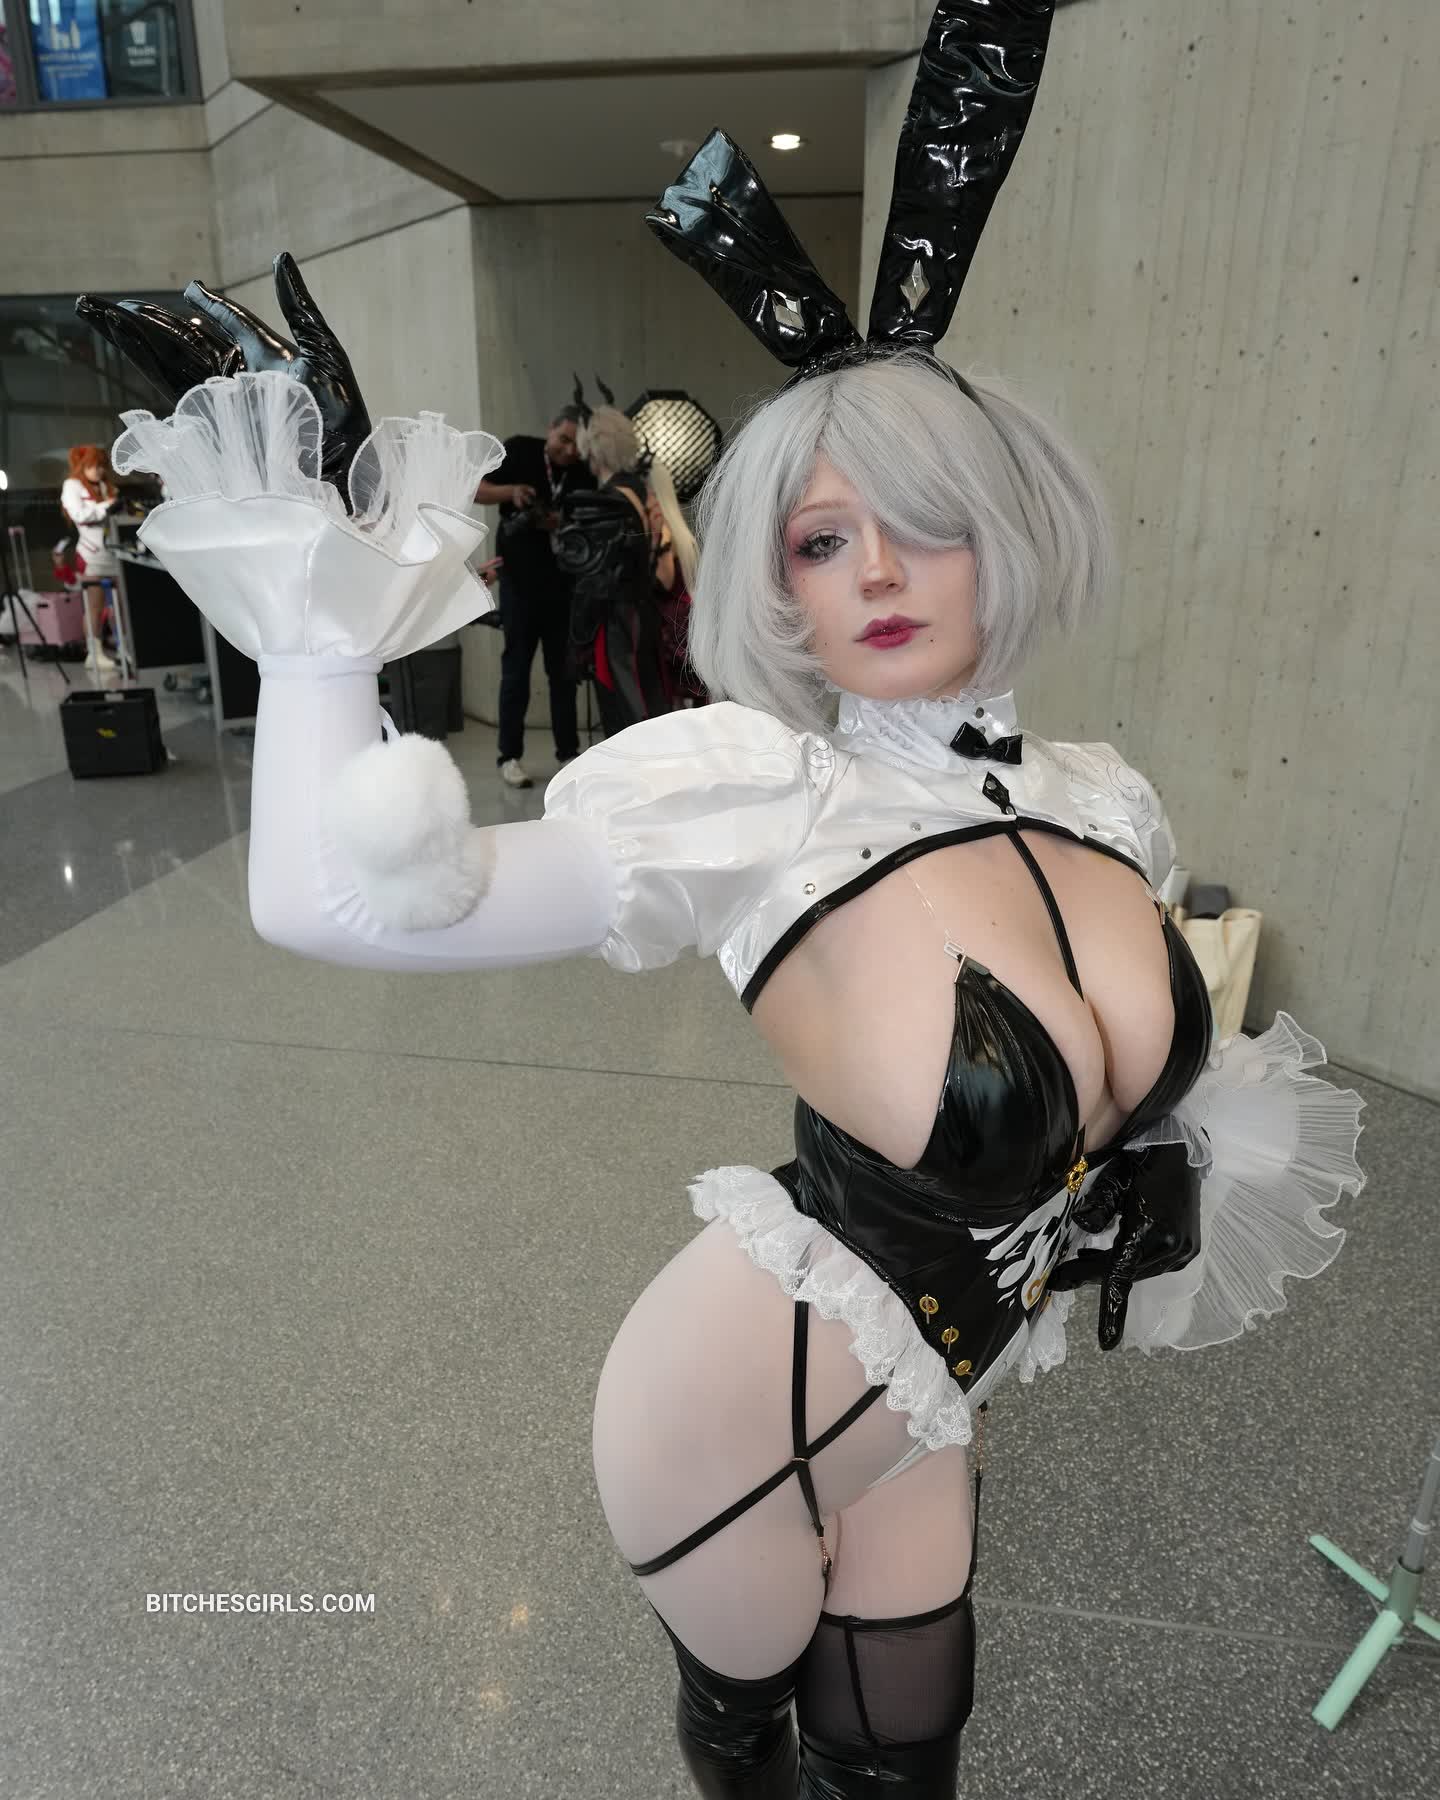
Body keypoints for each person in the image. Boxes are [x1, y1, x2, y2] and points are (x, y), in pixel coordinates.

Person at [82, 7, 1365, 1791]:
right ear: (779, 582)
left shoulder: (1097, 802)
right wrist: (316, 618)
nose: (881, 571)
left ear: (1016, 530)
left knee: (909, 1755)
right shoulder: (768, 798)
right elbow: (333, 905)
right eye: (824, 540)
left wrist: (1135, 1173)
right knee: (752, 1752)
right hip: (729, 1420)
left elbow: (1123, 1095)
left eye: (931, 520)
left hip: (927, 1406)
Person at [474, 405, 594, 787]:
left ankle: (568, 754)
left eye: (577, 446)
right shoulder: (520, 451)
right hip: (519, 585)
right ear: (550, 428)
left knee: (564, 675)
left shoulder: (584, 471)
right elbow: (476, 490)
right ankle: (509, 756)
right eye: (564, 440)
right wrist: (511, 492)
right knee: (516, 672)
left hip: (563, 588)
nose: (569, 451)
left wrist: (563, 522)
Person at [565, 404, 670, 735]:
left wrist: (577, 638)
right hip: (639, 614)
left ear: (594, 450)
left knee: (628, 711)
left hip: (618, 621)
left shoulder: (610, 501)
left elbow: (595, 581)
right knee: (646, 699)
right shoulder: (639, 491)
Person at [645, 460, 707, 709]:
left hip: (671, 627)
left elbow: (665, 581)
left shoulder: (664, 531)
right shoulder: (678, 529)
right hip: (684, 620)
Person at [61, 444, 121, 671]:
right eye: (93, 466)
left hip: (114, 552)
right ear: (82, 466)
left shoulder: (106, 485)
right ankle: (94, 654)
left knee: (121, 605)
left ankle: (124, 646)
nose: (98, 470)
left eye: (102, 466)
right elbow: (79, 514)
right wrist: (107, 507)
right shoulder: (72, 485)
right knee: (94, 605)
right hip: (91, 554)